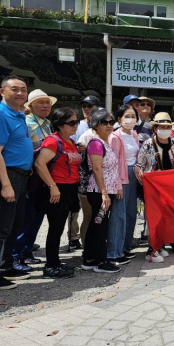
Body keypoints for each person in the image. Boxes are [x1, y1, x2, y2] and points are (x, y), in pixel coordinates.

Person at [0, 76, 34, 289]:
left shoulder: (19, 115)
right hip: (9, 176)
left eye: (23, 89)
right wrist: (5, 184)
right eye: (14, 89)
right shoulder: (1, 115)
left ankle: (5, 265)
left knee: (14, 225)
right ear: (2, 91)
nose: (20, 93)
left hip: (20, 177)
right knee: (0, 227)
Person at [33, 107, 82, 279]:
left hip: (68, 189)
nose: (76, 125)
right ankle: (50, 266)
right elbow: (40, 164)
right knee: (55, 228)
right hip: (57, 189)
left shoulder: (69, 141)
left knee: (59, 227)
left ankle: (54, 262)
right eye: (72, 123)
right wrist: (53, 186)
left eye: (77, 121)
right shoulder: (53, 141)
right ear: (60, 125)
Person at [136, 112, 174, 261]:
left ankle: (160, 246)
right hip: (152, 188)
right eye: (162, 127)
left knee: (167, 217)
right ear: (155, 128)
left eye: (168, 127)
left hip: (170, 188)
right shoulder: (148, 144)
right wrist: (140, 172)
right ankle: (151, 250)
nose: (165, 129)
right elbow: (139, 164)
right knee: (153, 218)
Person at [12, 89, 56, 271]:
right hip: (31, 177)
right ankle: (15, 256)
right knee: (25, 218)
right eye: (40, 102)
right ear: (30, 106)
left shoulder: (47, 124)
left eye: (47, 102)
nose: (45, 106)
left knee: (37, 217)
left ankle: (27, 251)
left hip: (45, 177)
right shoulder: (26, 122)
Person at [82, 108, 121, 273]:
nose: (108, 125)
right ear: (95, 125)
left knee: (97, 224)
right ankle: (100, 261)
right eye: (103, 122)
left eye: (111, 122)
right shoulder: (96, 143)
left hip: (105, 191)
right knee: (100, 226)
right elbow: (97, 169)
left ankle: (89, 258)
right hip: (98, 192)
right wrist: (105, 193)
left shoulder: (105, 143)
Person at [106, 105, 140, 266]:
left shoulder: (134, 134)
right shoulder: (114, 136)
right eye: (127, 116)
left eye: (133, 116)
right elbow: (112, 163)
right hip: (120, 177)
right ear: (119, 119)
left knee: (131, 214)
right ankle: (114, 253)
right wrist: (117, 183)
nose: (130, 119)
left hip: (134, 175)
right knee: (118, 216)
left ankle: (125, 247)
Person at [66, 95, 100, 251]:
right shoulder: (77, 125)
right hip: (78, 172)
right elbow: (69, 144)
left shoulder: (102, 126)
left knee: (91, 212)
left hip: (96, 174)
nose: (87, 109)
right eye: (84, 106)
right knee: (75, 208)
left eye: (90, 106)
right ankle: (73, 237)